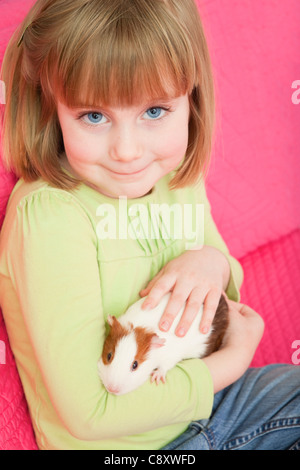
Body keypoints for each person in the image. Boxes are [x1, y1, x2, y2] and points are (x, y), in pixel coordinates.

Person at [0, 0, 298, 450]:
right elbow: (91, 415)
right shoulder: (50, 218)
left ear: (191, 98)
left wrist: (212, 262)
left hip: (215, 408)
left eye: (155, 112)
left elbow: (227, 292)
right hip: (140, 445)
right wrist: (233, 361)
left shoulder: (175, 177)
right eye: (94, 116)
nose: (127, 151)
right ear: (50, 104)